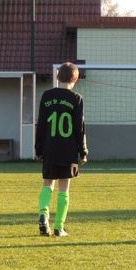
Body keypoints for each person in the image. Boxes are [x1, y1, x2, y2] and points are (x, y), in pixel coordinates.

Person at [35, 62, 88, 237]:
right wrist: (83, 151)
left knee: (48, 183)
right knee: (64, 188)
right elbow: (79, 128)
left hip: (50, 148)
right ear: (76, 79)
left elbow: (41, 124)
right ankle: (58, 227)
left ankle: (43, 214)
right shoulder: (76, 99)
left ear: (58, 77)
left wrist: (38, 148)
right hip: (68, 150)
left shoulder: (46, 96)